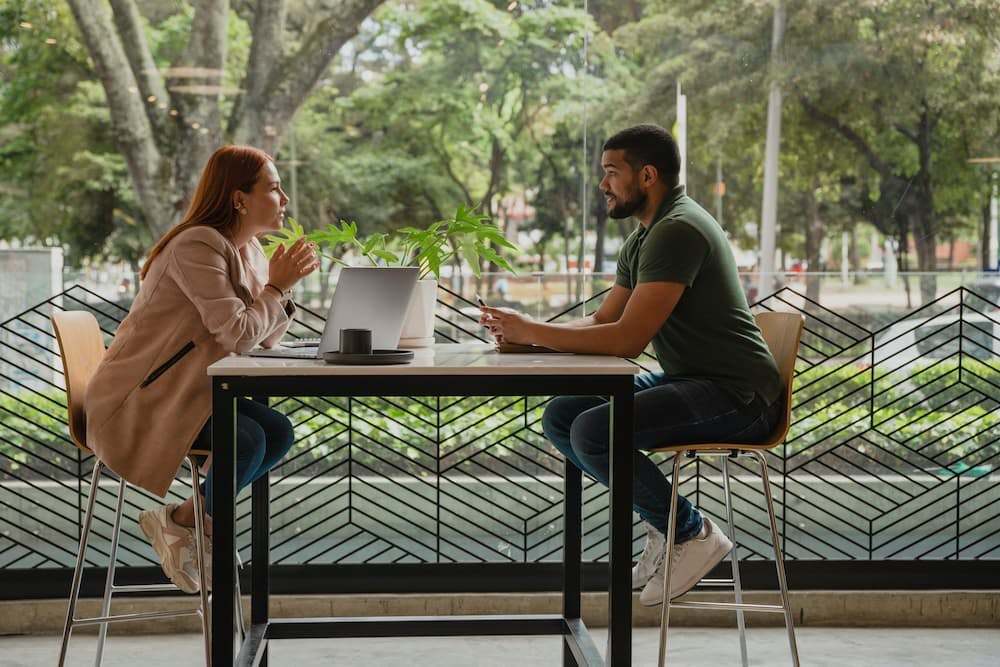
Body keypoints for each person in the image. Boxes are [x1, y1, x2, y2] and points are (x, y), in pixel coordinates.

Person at [479, 124, 782, 606]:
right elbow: (603, 319)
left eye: (611, 172)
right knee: (562, 416)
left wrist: (534, 334)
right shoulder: (645, 236)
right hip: (694, 380)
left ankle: (688, 531)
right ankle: (667, 528)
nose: (602, 185)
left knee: (593, 433)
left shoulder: (678, 230)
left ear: (646, 175)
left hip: (739, 396)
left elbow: (628, 339)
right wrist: (528, 337)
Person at [84, 145, 319, 593]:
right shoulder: (198, 245)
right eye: (274, 187)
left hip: (187, 393)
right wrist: (276, 286)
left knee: (278, 433)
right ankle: (204, 530)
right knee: (245, 440)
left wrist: (280, 290)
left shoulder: (247, 250)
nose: (285, 198)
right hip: (142, 399)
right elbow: (236, 332)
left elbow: (263, 337)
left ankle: (183, 520)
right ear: (239, 199)